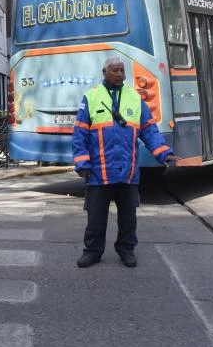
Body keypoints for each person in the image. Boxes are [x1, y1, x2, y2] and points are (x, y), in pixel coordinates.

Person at [72, 57, 176, 269]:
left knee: (128, 217)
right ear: (105, 72)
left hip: (127, 171)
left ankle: (126, 249)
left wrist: (163, 153)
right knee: (95, 218)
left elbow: (149, 130)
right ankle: (92, 251)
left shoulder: (135, 98)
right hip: (98, 172)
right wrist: (82, 163)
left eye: (122, 70)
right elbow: (80, 133)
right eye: (115, 70)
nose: (119, 74)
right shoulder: (91, 97)